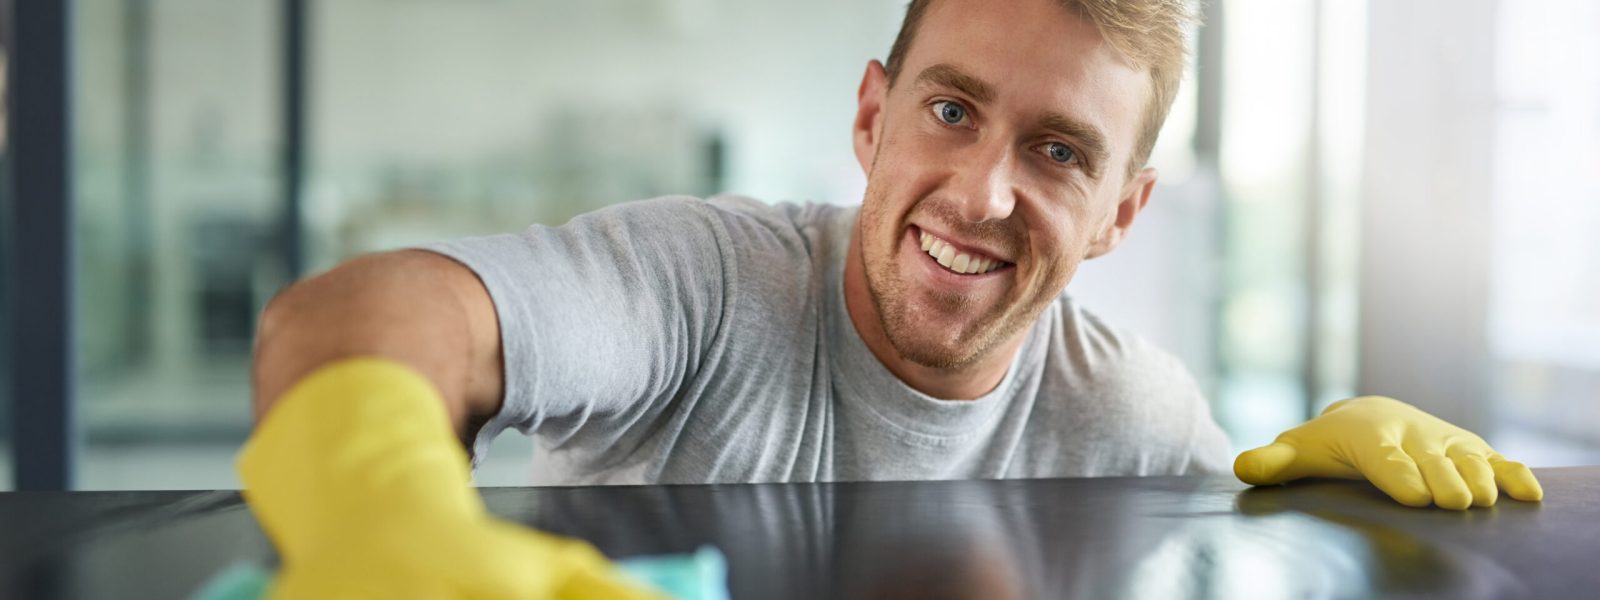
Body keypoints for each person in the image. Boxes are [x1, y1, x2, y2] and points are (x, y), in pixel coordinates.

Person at [244, 0, 1545, 593]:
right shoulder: (702, 283)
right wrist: (379, 505)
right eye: (950, 109)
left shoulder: (1124, 408)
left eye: (1059, 151)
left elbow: (1228, 544)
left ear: (1119, 217)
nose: (982, 193)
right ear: (874, 116)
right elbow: (362, 310)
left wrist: (1317, 500)